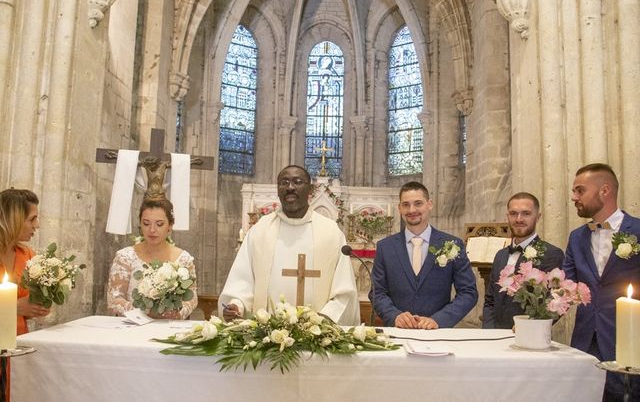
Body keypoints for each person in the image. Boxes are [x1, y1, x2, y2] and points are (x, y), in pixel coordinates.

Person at [219, 165, 360, 325]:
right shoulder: (260, 231)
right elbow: (242, 281)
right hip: (268, 336)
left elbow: (344, 291)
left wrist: (324, 321)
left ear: (310, 189)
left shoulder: (331, 233)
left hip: (318, 336)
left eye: (298, 182)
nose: (290, 187)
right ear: (278, 189)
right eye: (284, 183)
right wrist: (237, 305)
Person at [564, 163, 640, 402]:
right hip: (586, 341)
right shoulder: (576, 238)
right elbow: (565, 289)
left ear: (605, 190)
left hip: (628, 341)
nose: (574, 197)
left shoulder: (638, 231)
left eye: (580, 190)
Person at [370, 181, 477, 329]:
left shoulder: (452, 244)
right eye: (406, 204)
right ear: (399, 208)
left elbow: (468, 292)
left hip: (438, 332)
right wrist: (394, 316)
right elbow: (377, 292)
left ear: (429, 204)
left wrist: (439, 319)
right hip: (398, 332)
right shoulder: (385, 247)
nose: (412, 209)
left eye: (418, 203)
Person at [0, 189, 49, 402]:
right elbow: (18, 305)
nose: (36, 225)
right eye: (32, 219)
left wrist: (45, 299)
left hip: (19, 348)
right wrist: (13, 307)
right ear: (12, 217)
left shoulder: (28, 256)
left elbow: (37, 302)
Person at [483, 192, 564, 329]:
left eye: (526, 213)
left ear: (537, 217)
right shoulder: (500, 256)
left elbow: (557, 299)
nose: (519, 219)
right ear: (507, 216)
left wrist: (531, 326)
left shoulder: (551, 254)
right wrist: (489, 330)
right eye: (513, 213)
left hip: (530, 337)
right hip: (494, 338)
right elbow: (490, 300)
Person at [107, 198, 197, 319]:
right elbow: (114, 299)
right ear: (140, 224)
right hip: (133, 327)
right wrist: (144, 315)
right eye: (146, 223)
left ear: (170, 226)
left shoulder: (183, 259)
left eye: (159, 224)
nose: (152, 230)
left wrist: (178, 314)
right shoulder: (125, 257)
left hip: (170, 327)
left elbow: (192, 298)